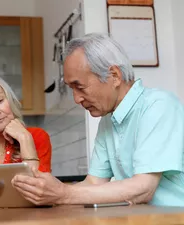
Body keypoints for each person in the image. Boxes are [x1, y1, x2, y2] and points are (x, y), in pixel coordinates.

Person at [11, 33, 184, 206]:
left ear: (114, 76)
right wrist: (50, 194)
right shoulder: (108, 120)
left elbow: (143, 188)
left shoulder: (158, 105)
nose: (76, 99)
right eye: (71, 89)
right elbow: (94, 182)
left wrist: (63, 194)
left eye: (79, 87)